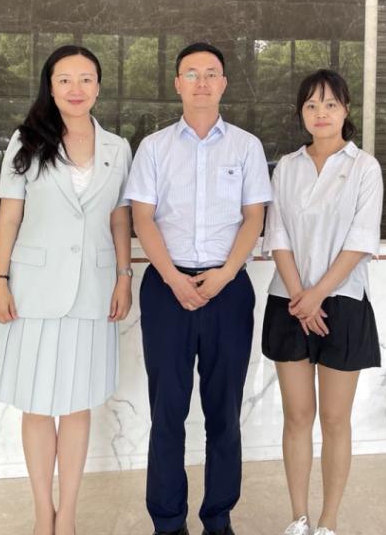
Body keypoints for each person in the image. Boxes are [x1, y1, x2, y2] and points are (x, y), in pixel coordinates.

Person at [124, 42, 272, 535]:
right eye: (192, 73)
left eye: (211, 73)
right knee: (167, 411)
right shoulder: (154, 147)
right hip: (167, 288)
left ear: (224, 84)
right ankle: (167, 522)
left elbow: (254, 217)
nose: (202, 82)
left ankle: (218, 517)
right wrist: (172, 278)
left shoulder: (246, 146)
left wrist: (225, 275)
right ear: (177, 84)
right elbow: (142, 218)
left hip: (228, 289)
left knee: (223, 412)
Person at [0, 44, 133, 535]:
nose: (76, 88)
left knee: (76, 404)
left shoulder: (117, 148)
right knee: (36, 403)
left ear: (98, 87)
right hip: (34, 289)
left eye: (85, 79)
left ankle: (67, 514)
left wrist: (124, 276)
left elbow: (119, 219)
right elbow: (10, 217)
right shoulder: (26, 141)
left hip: (93, 289)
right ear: (50, 87)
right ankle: (41, 513)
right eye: (64, 79)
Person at [262, 69, 383, 535]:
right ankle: (299, 517)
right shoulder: (287, 168)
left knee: (334, 419)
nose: (321, 113)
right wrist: (301, 296)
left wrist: (317, 295)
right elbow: (277, 234)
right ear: (301, 113)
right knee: (297, 416)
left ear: (346, 109)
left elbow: (360, 240)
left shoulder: (364, 167)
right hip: (288, 301)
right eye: (311, 105)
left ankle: (329, 521)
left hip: (343, 302)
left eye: (330, 104)